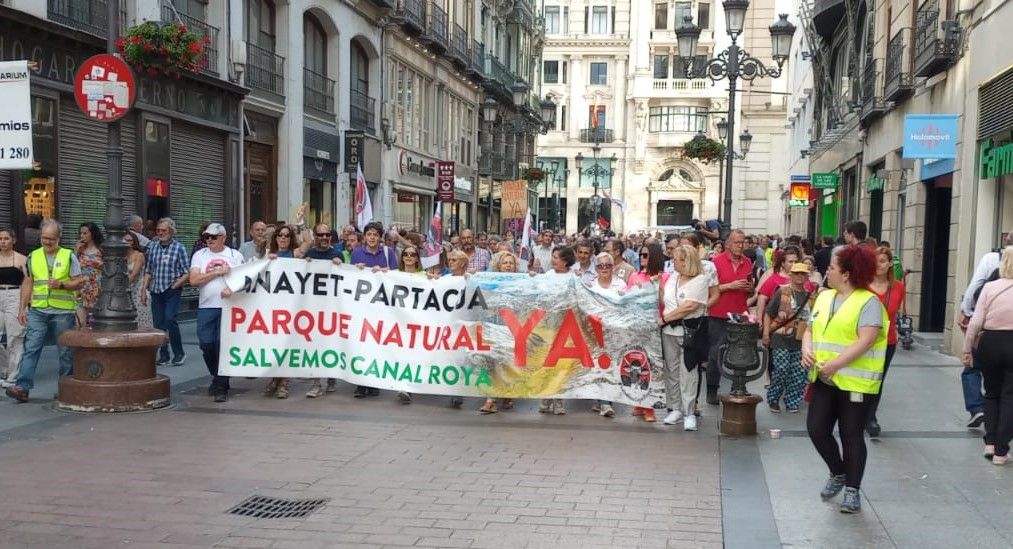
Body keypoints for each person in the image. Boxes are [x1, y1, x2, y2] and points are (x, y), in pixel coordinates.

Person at [802, 244, 887, 514]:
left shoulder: (869, 302)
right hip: (825, 378)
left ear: (847, 274)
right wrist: (807, 348)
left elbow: (866, 340)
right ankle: (837, 472)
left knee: (851, 435)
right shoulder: (825, 297)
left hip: (855, 382)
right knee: (816, 429)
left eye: (832, 268)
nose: (827, 271)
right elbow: (811, 328)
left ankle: (852, 489)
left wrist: (836, 364)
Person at [5, 220, 85, 402]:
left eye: (51, 239)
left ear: (59, 238)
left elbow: (79, 281)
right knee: (31, 348)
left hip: (63, 311)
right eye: (43, 238)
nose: (47, 242)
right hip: (39, 310)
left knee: (65, 351)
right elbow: (28, 283)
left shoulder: (69, 256)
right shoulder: (34, 256)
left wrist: (62, 284)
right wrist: (22, 307)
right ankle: (22, 387)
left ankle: (66, 388)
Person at [962, 246, 1013, 465]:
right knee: (1010, 396)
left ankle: (990, 442)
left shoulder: (990, 287)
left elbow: (975, 322)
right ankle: (1002, 451)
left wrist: (967, 350)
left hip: (990, 343)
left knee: (991, 393)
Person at [189, 223, 244, 403]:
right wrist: (217, 272)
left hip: (229, 306)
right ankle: (218, 375)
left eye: (213, 237)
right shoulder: (200, 255)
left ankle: (221, 384)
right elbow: (194, 279)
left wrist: (232, 289)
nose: (209, 240)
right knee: (206, 343)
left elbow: (244, 279)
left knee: (222, 344)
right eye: (207, 237)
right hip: (207, 305)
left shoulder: (235, 255)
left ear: (223, 238)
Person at [658, 245, 709, 431]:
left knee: (688, 371)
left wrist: (664, 319)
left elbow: (689, 306)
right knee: (671, 370)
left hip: (689, 331)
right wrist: (659, 288)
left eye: (676, 259)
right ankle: (675, 408)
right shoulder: (673, 277)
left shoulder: (701, 280)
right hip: (669, 331)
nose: (673, 263)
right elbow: (667, 301)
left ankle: (689, 412)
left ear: (686, 261)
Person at [706, 230, 754, 405]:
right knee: (716, 353)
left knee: (741, 353)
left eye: (743, 242)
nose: (741, 246)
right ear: (728, 244)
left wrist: (749, 289)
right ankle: (712, 389)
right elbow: (710, 289)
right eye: (737, 242)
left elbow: (752, 290)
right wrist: (730, 286)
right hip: (719, 313)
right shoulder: (716, 262)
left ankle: (738, 386)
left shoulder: (748, 262)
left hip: (741, 313)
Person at [864, 246, 906, 437]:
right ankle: (858, 414)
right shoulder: (862, 284)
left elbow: (897, 313)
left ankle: (871, 417)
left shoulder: (898, 287)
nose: (878, 265)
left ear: (890, 264)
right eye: (875, 261)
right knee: (862, 378)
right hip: (863, 339)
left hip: (887, 341)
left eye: (882, 261)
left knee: (878, 380)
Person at [763, 261, 813, 413]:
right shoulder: (782, 292)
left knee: (799, 373)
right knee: (781, 370)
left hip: (801, 340)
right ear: (791, 275)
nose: (799, 276)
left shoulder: (811, 296)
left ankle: (792, 401)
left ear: (807, 276)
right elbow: (769, 313)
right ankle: (773, 399)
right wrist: (766, 333)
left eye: (803, 274)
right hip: (781, 338)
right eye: (796, 273)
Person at [303, 223, 344, 398]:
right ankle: (316, 383)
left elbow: (345, 278)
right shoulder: (309, 254)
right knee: (314, 345)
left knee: (331, 344)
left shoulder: (337, 253)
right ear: (315, 237)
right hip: (313, 309)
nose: (325, 238)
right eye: (321, 235)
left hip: (333, 309)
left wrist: (340, 264)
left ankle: (331, 377)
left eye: (327, 234)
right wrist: (305, 265)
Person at [142, 218, 190, 366]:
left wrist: (178, 283)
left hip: (171, 288)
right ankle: (164, 354)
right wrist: (143, 289)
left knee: (170, 319)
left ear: (171, 231)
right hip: (156, 289)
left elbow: (187, 272)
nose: (161, 233)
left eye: (164, 230)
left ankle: (179, 352)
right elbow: (149, 270)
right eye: (158, 230)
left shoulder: (179, 248)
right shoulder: (153, 247)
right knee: (158, 323)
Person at [479, 251, 522, 414]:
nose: (508, 266)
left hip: (512, 325)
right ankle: (491, 399)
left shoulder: (521, 281)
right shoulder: (490, 281)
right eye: (505, 263)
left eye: (511, 263)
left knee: (506, 359)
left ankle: (506, 392)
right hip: (494, 324)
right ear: (498, 265)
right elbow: (481, 296)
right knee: (493, 359)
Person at [0, 228, 28, 388]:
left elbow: (28, 282)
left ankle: (13, 375)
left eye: (6, 238)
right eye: (0, 239)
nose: (3, 241)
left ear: (13, 240)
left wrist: (24, 306)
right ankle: (5, 368)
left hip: (14, 295)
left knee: (14, 338)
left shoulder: (21, 260)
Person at [756, 246, 802, 320]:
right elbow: (762, 298)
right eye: (790, 262)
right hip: (776, 323)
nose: (794, 264)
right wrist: (759, 319)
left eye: (796, 262)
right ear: (783, 263)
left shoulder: (802, 278)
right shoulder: (774, 279)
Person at [75, 222, 103, 327]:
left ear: (92, 234)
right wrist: (76, 252)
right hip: (81, 288)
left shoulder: (101, 250)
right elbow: (73, 267)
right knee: (79, 323)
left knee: (95, 324)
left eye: (85, 233)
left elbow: (109, 268)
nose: (82, 236)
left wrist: (99, 265)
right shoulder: (80, 250)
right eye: (80, 233)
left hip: (96, 288)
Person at [123, 231, 152, 328]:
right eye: (125, 240)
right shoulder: (121, 256)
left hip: (137, 291)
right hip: (126, 293)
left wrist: (122, 288)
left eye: (129, 240)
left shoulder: (139, 255)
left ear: (134, 242)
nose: (127, 242)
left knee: (141, 323)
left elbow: (134, 275)